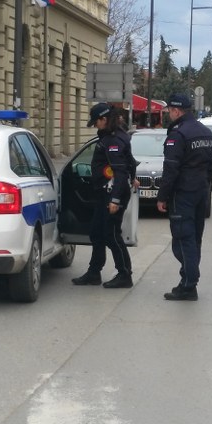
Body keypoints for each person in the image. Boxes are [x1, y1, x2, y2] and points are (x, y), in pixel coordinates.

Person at [156, 93, 212, 301]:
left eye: (169, 111)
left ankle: (189, 283)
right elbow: (211, 164)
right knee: (195, 238)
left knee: (182, 239)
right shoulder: (205, 132)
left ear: (176, 110)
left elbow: (170, 169)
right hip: (201, 192)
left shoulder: (178, 135)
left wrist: (162, 197)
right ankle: (187, 281)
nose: (168, 115)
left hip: (183, 194)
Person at [72, 103, 137, 288]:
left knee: (111, 235)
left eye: (96, 122)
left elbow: (120, 169)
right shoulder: (113, 136)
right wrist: (134, 177)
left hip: (112, 194)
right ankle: (94, 272)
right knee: (97, 233)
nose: (95, 126)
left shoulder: (113, 140)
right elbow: (130, 161)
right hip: (105, 193)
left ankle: (125, 274)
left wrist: (115, 199)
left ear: (104, 119)